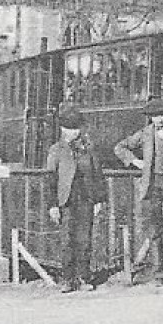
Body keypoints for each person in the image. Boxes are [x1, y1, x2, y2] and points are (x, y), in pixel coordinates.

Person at [113, 101, 163, 285]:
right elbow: (119, 147)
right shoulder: (144, 134)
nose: (159, 119)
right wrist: (135, 161)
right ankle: (159, 272)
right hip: (151, 186)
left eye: (162, 114)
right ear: (150, 117)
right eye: (155, 115)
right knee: (154, 229)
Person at [44, 102, 109, 293]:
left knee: (84, 240)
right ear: (62, 129)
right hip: (66, 201)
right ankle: (67, 279)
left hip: (85, 199)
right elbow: (51, 178)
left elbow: (98, 176)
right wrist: (53, 205)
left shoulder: (89, 149)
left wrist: (99, 200)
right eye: (68, 129)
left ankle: (83, 277)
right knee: (66, 241)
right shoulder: (56, 150)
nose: (72, 133)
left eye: (75, 129)